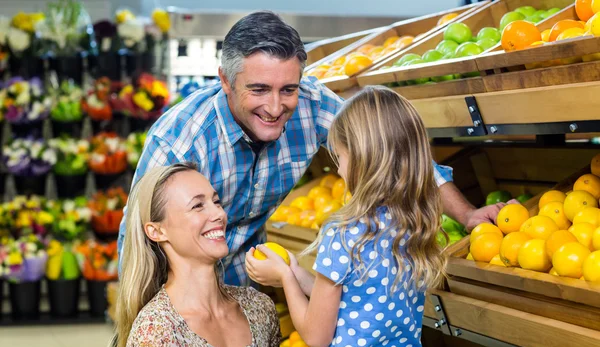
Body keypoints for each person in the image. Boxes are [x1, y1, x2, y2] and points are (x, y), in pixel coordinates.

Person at [117, 10, 505, 286]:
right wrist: (152, 325)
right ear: (225, 81)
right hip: (177, 285)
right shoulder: (182, 138)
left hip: (246, 278)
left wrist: (468, 215)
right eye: (258, 90)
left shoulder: (312, 104)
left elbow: (395, 154)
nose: (274, 107)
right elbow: (136, 238)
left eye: (287, 89)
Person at [246, 86, 447, 347]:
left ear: (364, 157)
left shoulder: (344, 233)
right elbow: (353, 299)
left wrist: (285, 280)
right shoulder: (412, 224)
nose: (338, 169)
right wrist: (296, 272)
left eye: (339, 157)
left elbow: (315, 335)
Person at [113, 163, 287, 347]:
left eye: (216, 202)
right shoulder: (157, 332)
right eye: (197, 206)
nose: (219, 214)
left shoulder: (258, 308)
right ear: (157, 231)